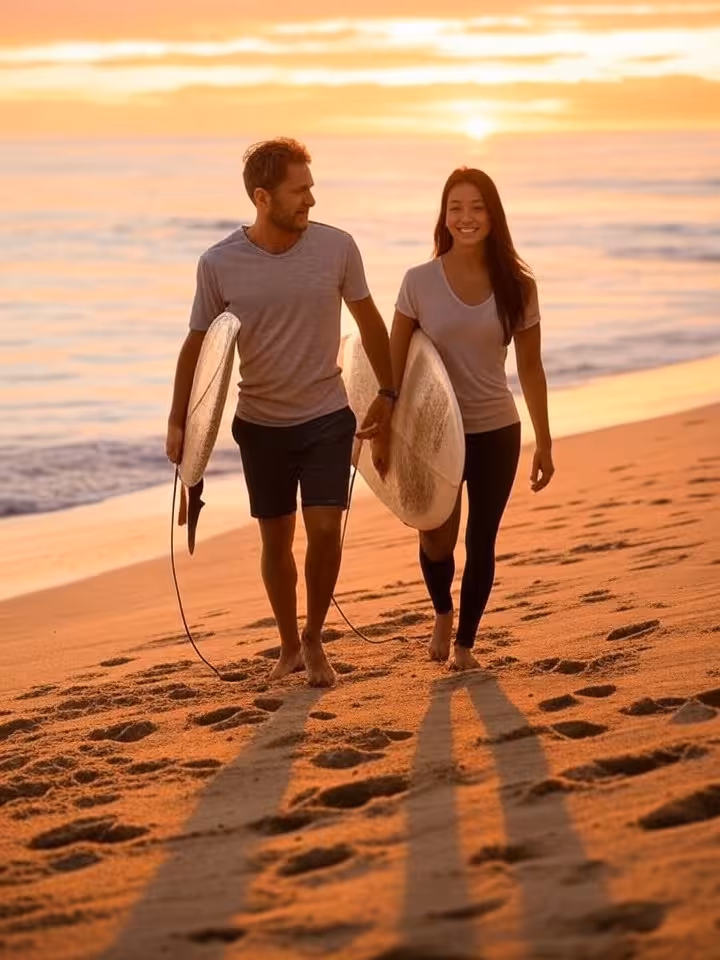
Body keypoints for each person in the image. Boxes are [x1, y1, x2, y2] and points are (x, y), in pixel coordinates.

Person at [166, 138, 395, 687]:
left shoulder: (337, 249)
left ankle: (315, 636)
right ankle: (288, 646)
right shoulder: (219, 264)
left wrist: (388, 395)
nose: (311, 200)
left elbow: (370, 324)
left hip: (325, 416)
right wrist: (180, 423)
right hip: (261, 425)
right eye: (300, 191)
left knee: (323, 531)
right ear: (263, 197)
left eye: (311, 188)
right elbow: (197, 346)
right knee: (276, 540)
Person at [376, 167, 554, 671]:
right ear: (444, 215)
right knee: (435, 534)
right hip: (433, 436)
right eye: (456, 208)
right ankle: (442, 610)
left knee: (481, 539)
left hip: (497, 429)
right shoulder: (418, 282)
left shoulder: (518, 286)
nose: (465, 218)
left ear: (493, 215)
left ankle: (465, 646)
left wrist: (543, 439)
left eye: (477, 207)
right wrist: (385, 424)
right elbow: (394, 366)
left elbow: (531, 367)